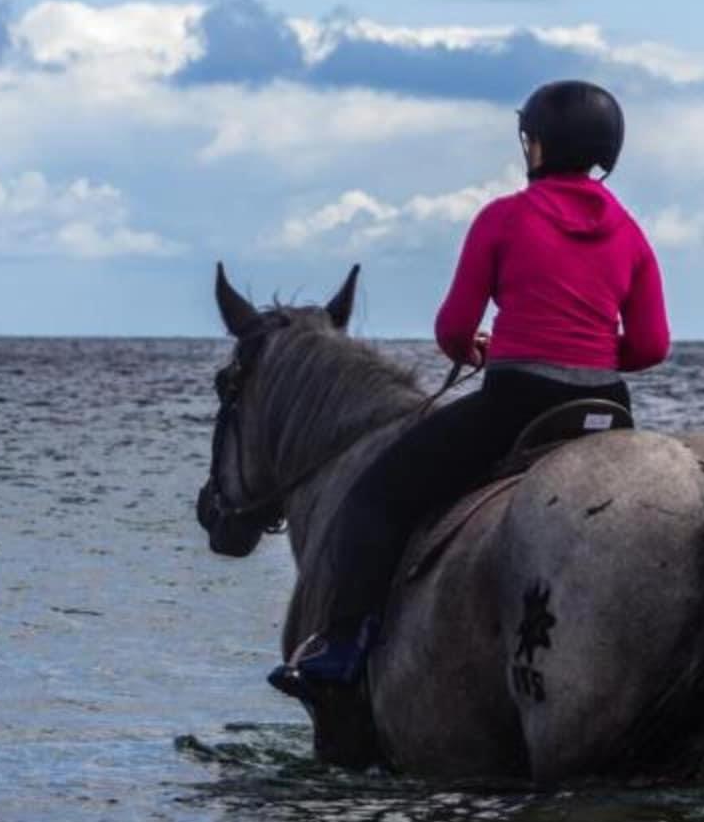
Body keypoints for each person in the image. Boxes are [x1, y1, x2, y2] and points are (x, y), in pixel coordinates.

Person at [270, 79, 671, 696]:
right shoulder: (631, 232)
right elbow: (651, 345)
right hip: (606, 409)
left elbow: (454, 329)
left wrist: (485, 348)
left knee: (374, 496)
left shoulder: (504, 218)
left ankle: (342, 647)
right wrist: (587, 348)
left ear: (537, 146)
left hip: (518, 404)